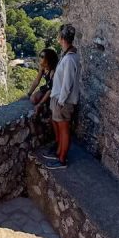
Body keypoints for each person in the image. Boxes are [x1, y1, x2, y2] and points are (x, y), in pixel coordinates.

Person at [43, 24, 80, 170]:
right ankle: (59, 153)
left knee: (64, 130)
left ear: (62, 38)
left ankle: (62, 160)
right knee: (61, 127)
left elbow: (67, 84)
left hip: (63, 101)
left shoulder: (70, 59)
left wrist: (61, 101)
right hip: (60, 99)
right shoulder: (68, 55)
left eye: (59, 36)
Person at [27, 48, 58, 118]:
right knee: (33, 98)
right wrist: (29, 94)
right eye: (40, 56)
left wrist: (40, 104)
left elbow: (51, 90)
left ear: (48, 59)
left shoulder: (53, 71)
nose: (40, 58)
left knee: (36, 100)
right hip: (47, 88)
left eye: (42, 57)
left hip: (53, 91)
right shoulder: (43, 68)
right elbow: (37, 81)